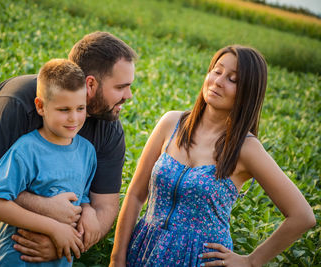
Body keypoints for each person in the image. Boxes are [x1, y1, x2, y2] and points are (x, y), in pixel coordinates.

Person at [0, 31, 136, 266]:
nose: (129, 96)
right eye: (121, 87)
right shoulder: (19, 101)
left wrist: (65, 243)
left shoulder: (109, 130)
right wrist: (46, 211)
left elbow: (104, 206)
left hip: (16, 237)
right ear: (91, 84)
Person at [110, 45, 315, 267]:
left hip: (198, 261)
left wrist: (251, 261)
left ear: (249, 91)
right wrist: (116, 258)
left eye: (233, 79)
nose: (218, 81)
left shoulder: (246, 148)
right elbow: (135, 195)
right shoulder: (172, 123)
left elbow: (302, 216)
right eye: (217, 71)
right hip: (143, 250)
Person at [0, 58, 96, 266]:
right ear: (41, 107)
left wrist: (88, 211)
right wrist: (54, 228)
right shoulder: (26, 150)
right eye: (64, 110)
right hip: (14, 259)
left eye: (80, 108)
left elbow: (81, 195)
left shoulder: (87, 152)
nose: (74, 118)